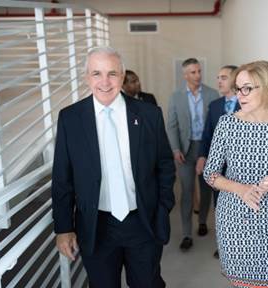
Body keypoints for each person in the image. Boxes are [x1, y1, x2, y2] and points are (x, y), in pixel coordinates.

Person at [51, 46, 175, 288]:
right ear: (87, 77)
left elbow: (165, 165)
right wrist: (63, 228)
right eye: (97, 73)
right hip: (96, 227)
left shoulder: (149, 114)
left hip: (142, 222)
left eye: (112, 73)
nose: (105, 82)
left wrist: (162, 208)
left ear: (122, 75)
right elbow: (62, 177)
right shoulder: (70, 118)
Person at [203, 61, 268, 288]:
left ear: (267, 87)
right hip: (235, 220)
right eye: (238, 88)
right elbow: (210, 174)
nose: (240, 94)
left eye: (247, 88)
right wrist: (243, 189)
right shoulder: (227, 124)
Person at [166, 58, 219, 251]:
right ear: (185, 75)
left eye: (199, 71)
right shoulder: (176, 96)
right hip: (184, 151)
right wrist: (175, 149)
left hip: (206, 149)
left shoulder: (212, 94)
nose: (198, 75)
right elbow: (171, 125)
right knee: (187, 191)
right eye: (193, 72)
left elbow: (216, 125)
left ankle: (203, 221)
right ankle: (187, 233)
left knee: (206, 189)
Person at [195, 65, 239, 259]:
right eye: (218, 77)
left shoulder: (246, 105)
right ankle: (224, 246)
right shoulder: (214, 106)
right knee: (220, 209)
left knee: (238, 210)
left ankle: (240, 246)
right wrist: (202, 156)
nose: (219, 81)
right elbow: (207, 135)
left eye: (224, 77)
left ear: (236, 80)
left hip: (241, 170)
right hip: (219, 170)